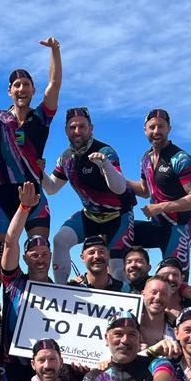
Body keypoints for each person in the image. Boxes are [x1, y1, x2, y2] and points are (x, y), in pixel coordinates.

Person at [0, 38, 62, 285]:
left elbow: (55, 83)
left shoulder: (41, 117)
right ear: (10, 91)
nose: (21, 89)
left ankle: (35, 313)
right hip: (4, 196)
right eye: (16, 85)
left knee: (38, 256)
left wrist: (55, 51)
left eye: (26, 85)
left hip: (35, 197)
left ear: (33, 90)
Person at [42, 107, 135, 282]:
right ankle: (60, 290)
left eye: (82, 127)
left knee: (116, 268)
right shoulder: (66, 157)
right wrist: (39, 172)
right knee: (60, 240)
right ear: (66, 131)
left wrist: (105, 165)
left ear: (90, 128)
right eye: (72, 127)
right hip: (90, 215)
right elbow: (52, 188)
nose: (77, 132)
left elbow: (120, 188)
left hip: (118, 216)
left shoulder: (105, 151)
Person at [127, 109, 191, 273]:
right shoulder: (146, 158)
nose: (156, 131)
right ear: (145, 130)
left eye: (161, 126)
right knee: (116, 232)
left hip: (178, 229)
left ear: (169, 128)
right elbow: (143, 190)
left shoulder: (180, 158)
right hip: (156, 227)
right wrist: (114, 178)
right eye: (152, 127)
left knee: (173, 281)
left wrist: (160, 207)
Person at [0, 182, 53, 381]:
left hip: (46, 369)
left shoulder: (61, 292)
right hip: (13, 367)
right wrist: (24, 209)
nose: (40, 259)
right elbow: (10, 242)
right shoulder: (14, 282)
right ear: (25, 258)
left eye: (44, 255)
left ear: (50, 257)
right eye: (34, 255)